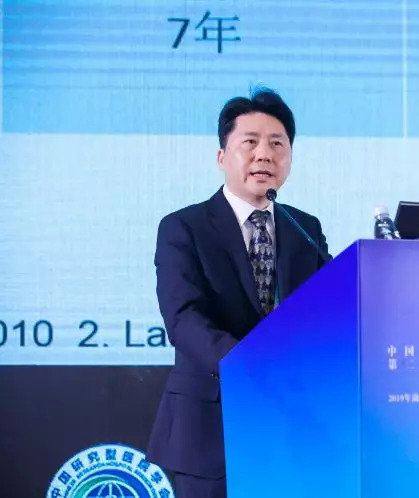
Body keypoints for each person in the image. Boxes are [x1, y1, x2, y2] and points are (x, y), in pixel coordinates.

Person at [146, 88, 330, 498]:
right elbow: (183, 319)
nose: (264, 154)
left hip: (292, 427)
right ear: (222, 156)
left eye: (277, 144)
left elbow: (332, 305)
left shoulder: (305, 228)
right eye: (250, 142)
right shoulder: (183, 227)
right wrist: (251, 365)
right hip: (211, 428)